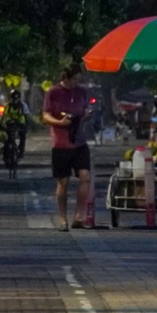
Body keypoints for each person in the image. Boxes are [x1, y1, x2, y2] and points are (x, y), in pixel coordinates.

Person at [42, 64, 94, 229]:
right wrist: (59, 122)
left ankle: (79, 215)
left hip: (79, 141)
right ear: (65, 77)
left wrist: (85, 115)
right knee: (63, 182)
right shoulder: (54, 92)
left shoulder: (81, 92)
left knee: (85, 176)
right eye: (73, 79)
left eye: (78, 80)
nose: (75, 83)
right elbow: (45, 115)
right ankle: (63, 218)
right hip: (61, 143)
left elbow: (85, 109)